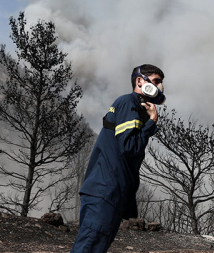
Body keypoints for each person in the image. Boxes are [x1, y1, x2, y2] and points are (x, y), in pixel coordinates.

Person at [71, 64, 165, 253]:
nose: (160, 86)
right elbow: (129, 147)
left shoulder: (135, 107)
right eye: (156, 81)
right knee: (89, 247)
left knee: (96, 247)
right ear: (140, 81)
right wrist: (151, 123)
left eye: (161, 83)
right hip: (105, 191)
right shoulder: (128, 103)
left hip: (111, 194)